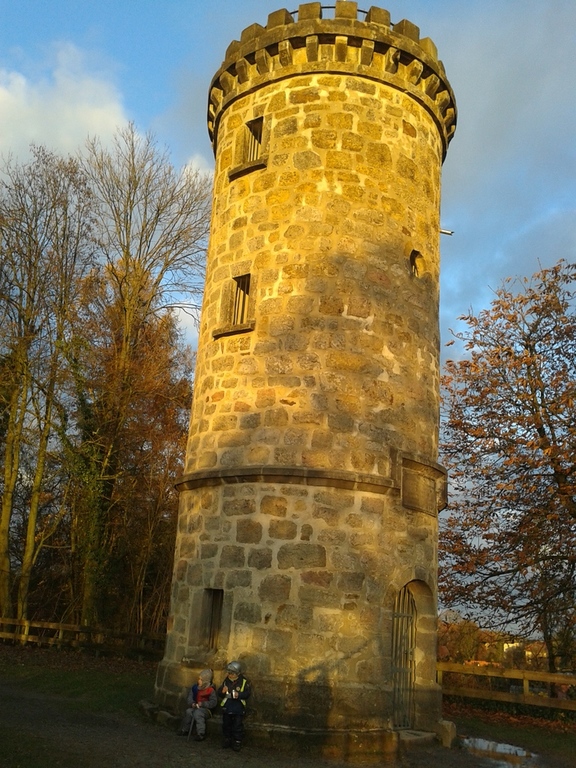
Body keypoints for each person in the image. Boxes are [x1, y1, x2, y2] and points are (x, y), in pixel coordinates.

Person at [217, 660, 251, 751]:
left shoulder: (243, 681)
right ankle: (227, 739)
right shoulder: (226, 680)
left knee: (237, 725)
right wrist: (222, 692)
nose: (230, 675)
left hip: (238, 707)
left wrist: (239, 695)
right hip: (227, 706)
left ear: (237, 673)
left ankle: (237, 741)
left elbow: (247, 694)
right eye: (229, 673)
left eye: (232, 674)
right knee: (226, 724)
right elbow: (220, 692)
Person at [178, 669, 217, 741]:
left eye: (201, 679)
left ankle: (201, 733)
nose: (199, 681)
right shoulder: (195, 688)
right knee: (189, 712)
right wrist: (192, 703)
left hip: (206, 710)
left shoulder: (210, 690)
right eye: (199, 679)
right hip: (195, 706)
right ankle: (185, 729)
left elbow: (213, 702)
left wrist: (203, 704)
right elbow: (190, 697)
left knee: (198, 714)